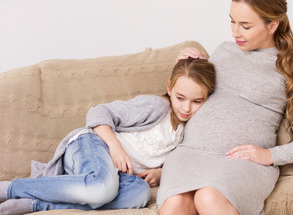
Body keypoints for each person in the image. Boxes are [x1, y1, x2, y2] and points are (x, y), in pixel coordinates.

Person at [157, 0, 293, 215]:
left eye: (245, 25)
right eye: (232, 21)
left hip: (242, 163)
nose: (235, 32)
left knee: (208, 197)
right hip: (190, 153)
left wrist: (270, 155)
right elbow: (194, 94)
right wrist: (185, 67)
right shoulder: (223, 50)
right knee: (176, 204)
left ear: (272, 25)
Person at [0, 58, 216, 214]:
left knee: (140, 195)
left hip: (120, 176)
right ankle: (11, 188)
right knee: (102, 188)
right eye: (180, 98)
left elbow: (181, 163)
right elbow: (98, 112)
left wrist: (159, 173)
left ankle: (34, 204)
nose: (186, 108)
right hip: (93, 145)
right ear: (169, 89)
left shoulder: (189, 133)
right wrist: (115, 147)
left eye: (197, 101)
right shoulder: (156, 106)